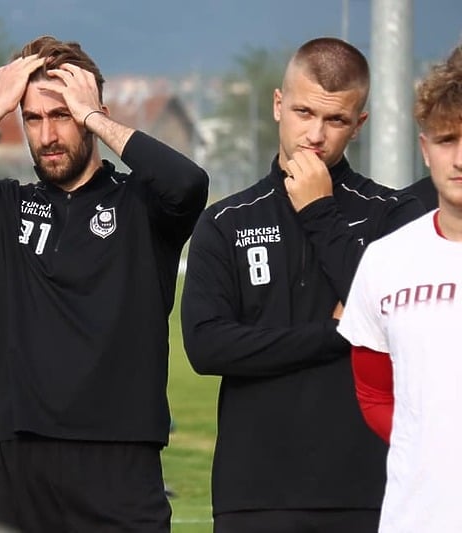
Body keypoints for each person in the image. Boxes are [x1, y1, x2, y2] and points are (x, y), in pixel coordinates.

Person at [0, 35, 209, 531]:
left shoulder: (143, 206)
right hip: (22, 456)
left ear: (91, 111)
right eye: (33, 118)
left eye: (60, 115)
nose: (46, 135)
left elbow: (190, 184)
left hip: (119, 455)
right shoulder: (6, 206)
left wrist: (93, 117)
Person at [181, 37, 424, 532]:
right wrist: (334, 334)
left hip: (366, 490)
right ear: (278, 105)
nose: (315, 134)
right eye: (303, 111)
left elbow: (392, 320)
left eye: (335, 120)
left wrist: (318, 211)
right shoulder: (225, 221)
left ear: (360, 124)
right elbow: (208, 348)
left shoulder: (393, 214)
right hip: (253, 493)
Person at [338, 43, 462, 533]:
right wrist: (427, 445)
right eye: (447, 139)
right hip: (416, 518)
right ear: (424, 147)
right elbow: (372, 392)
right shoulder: (386, 260)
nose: (459, 158)